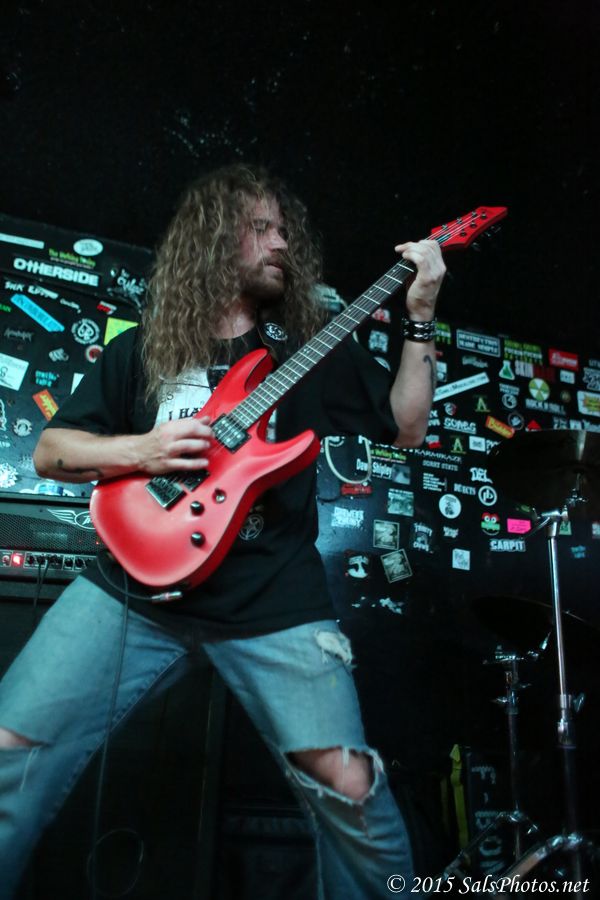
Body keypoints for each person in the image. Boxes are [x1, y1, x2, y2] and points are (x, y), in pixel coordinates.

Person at [0, 163, 445, 899]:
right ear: (211, 239)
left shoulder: (310, 349)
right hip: (131, 587)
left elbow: (407, 425)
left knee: (351, 788)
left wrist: (420, 312)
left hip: (272, 597)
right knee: (9, 748)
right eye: (261, 228)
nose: (281, 243)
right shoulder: (144, 349)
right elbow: (52, 451)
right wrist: (142, 450)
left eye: (285, 231)